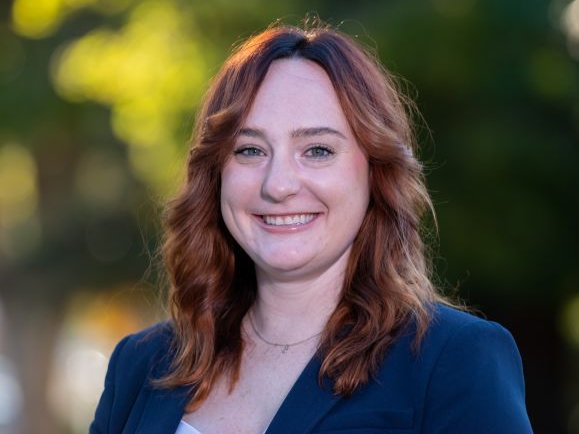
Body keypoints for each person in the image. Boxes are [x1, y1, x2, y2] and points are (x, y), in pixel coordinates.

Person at [90, 23, 533, 433]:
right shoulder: (141, 365)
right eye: (249, 150)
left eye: (317, 150)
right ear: (216, 173)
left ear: (374, 171)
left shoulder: (452, 360)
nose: (278, 185)